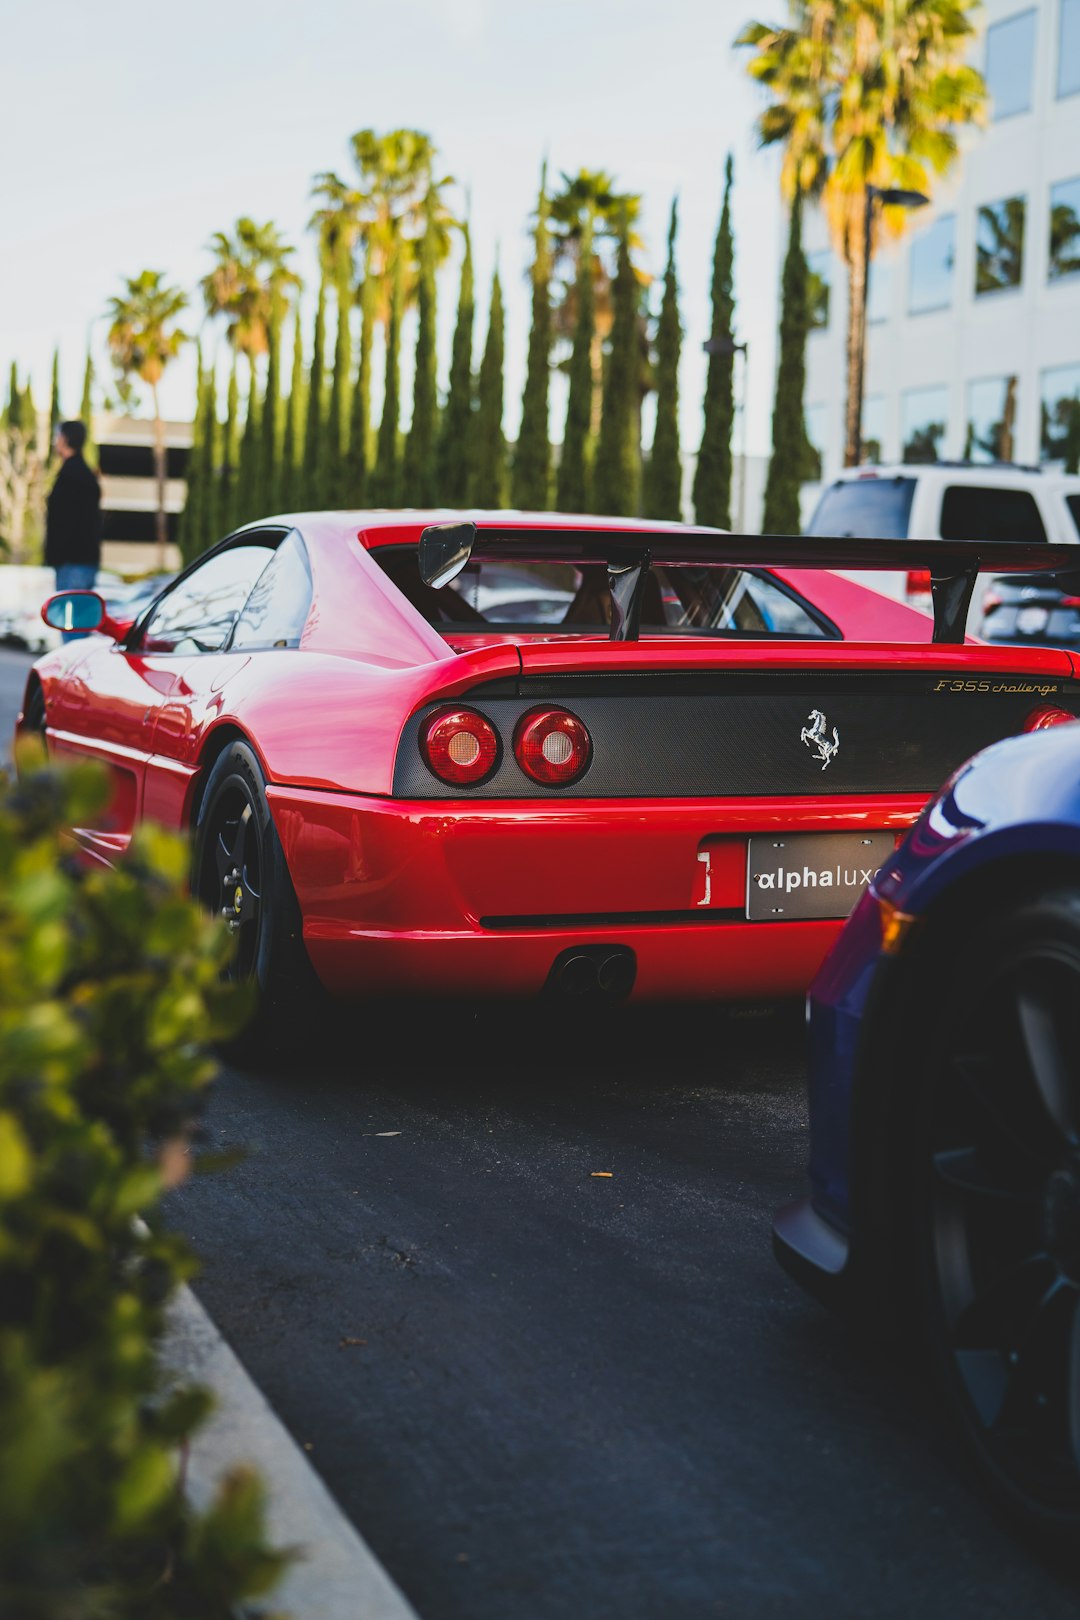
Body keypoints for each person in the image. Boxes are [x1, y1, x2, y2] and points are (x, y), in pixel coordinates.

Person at [45, 419, 101, 641]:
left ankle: (71, 675)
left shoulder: (71, 476)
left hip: (72, 564)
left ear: (66, 439)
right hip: (83, 562)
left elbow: (65, 523)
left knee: (71, 631)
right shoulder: (85, 475)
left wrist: (56, 556)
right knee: (79, 627)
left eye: (57, 436)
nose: (55, 442)